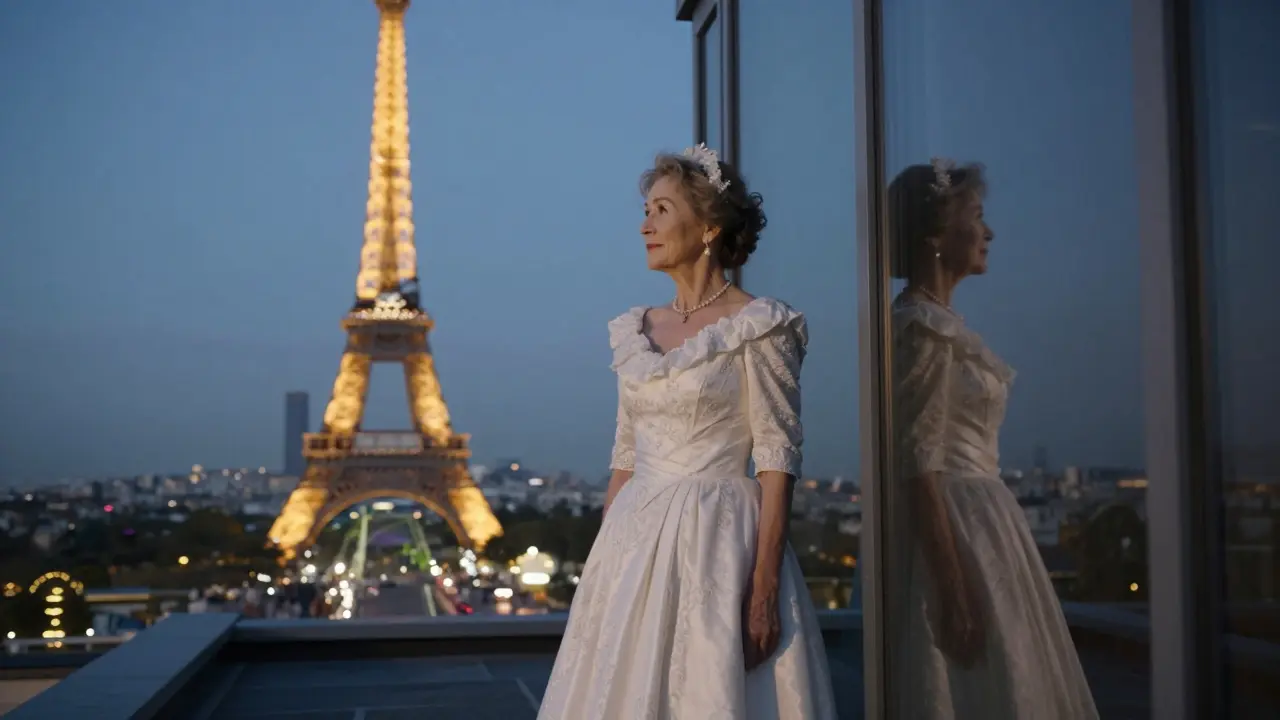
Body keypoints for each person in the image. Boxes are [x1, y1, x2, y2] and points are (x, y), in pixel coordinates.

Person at [538, 145, 836, 719]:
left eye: (662, 209)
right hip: (632, 542)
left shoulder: (760, 325)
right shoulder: (636, 328)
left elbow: (777, 454)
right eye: (646, 209)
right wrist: (605, 563)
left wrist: (764, 584)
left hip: (718, 539)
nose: (644, 224)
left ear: (708, 227)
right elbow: (625, 453)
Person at [887, 159, 1098, 719]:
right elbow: (917, 460)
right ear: (934, 235)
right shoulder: (920, 329)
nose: (989, 232)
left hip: (984, 524)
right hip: (959, 527)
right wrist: (953, 589)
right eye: (976, 217)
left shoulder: (935, 323)